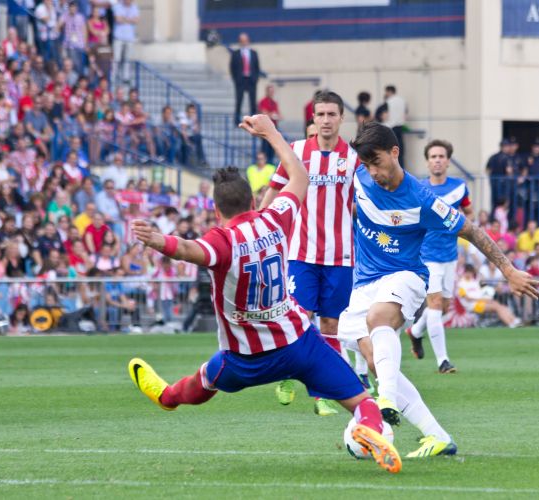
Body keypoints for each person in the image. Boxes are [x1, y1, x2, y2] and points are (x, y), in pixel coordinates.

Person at [128, 114, 402, 474]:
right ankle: (367, 428)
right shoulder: (275, 218)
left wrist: (156, 240)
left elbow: (184, 249)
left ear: (216, 209)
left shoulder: (222, 241)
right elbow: (300, 176)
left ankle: (166, 397)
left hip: (244, 358)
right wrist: (271, 132)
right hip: (299, 345)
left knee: (203, 381)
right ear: (252, 200)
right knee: (361, 400)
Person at [339, 122, 539, 457]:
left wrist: (507, 269)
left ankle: (384, 401)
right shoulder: (360, 172)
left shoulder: (422, 200)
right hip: (363, 283)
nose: (373, 171)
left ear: (395, 152)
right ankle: (438, 436)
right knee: (375, 360)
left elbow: (471, 230)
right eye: (368, 164)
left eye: (378, 162)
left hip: (406, 275)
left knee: (379, 321)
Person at [260, 90, 358, 417]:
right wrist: (257, 229)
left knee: (331, 324)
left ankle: (324, 395)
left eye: (332, 114)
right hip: (301, 253)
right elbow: (274, 189)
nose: (326, 120)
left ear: (342, 118)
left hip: (341, 257)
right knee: (300, 320)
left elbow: (367, 201)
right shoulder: (297, 151)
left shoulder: (355, 158)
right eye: (321, 115)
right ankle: (288, 375)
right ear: (312, 119)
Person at [405, 140, 473, 373]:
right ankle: (443, 361)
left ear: (448, 160)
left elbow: (468, 214)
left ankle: (414, 332)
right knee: (434, 304)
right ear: (427, 161)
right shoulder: (418, 188)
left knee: (442, 306)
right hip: (426, 256)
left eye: (441, 156)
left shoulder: (460, 187)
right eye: (433, 156)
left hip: (450, 255)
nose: (437, 160)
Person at [456, 264, 522, 328]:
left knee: (499, 305)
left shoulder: (474, 281)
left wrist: (485, 298)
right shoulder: (461, 284)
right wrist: (483, 299)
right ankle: (510, 323)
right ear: (464, 272)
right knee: (496, 307)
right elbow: (467, 299)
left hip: (480, 302)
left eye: (471, 272)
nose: (469, 274)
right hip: (472, 305)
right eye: (468, 272)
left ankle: (513, 320)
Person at [229, 32, 260, 125]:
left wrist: (255, 78)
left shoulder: (253, 53)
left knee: (252, 101)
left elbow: (257, 67)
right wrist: (236, 79)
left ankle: (253, 120)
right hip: (240, 80)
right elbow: (232, 68)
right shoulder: (236, 53)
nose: (244, 42)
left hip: (251, 80)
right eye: (242, 41)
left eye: (245, 40)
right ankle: (237, 120)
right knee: (239, 100)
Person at [112, 0, 139, 86]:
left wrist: (124, 19)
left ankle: (126, 78)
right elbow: (117, 19)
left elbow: (136, 20)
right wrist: (130, 19)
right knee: (116, 58)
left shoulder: (134, 7)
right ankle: (113, 76)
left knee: (127, 59)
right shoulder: (118, 6)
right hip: (119, 37)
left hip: (129, 37)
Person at [382, 85, 407, 167]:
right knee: (400, 151)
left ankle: (392, 169)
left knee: (391, 151)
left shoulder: (388, 101)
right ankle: (401, 169)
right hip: (400, 127)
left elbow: (385, 116)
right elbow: (405, 114)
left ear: (389, 91)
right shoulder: (402, 101)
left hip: (391, 128)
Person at [257, 84, 280, 163]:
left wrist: (273, 115)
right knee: (265, 148)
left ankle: (270, 164)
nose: (272, 93)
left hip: (273, 127)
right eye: (270, 91)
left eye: (272, 91)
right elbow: (264, 113)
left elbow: (279, 115)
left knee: (272, 148)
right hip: (265, 128)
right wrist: (272, 114)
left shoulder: (274, 102)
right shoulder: (263, 101)